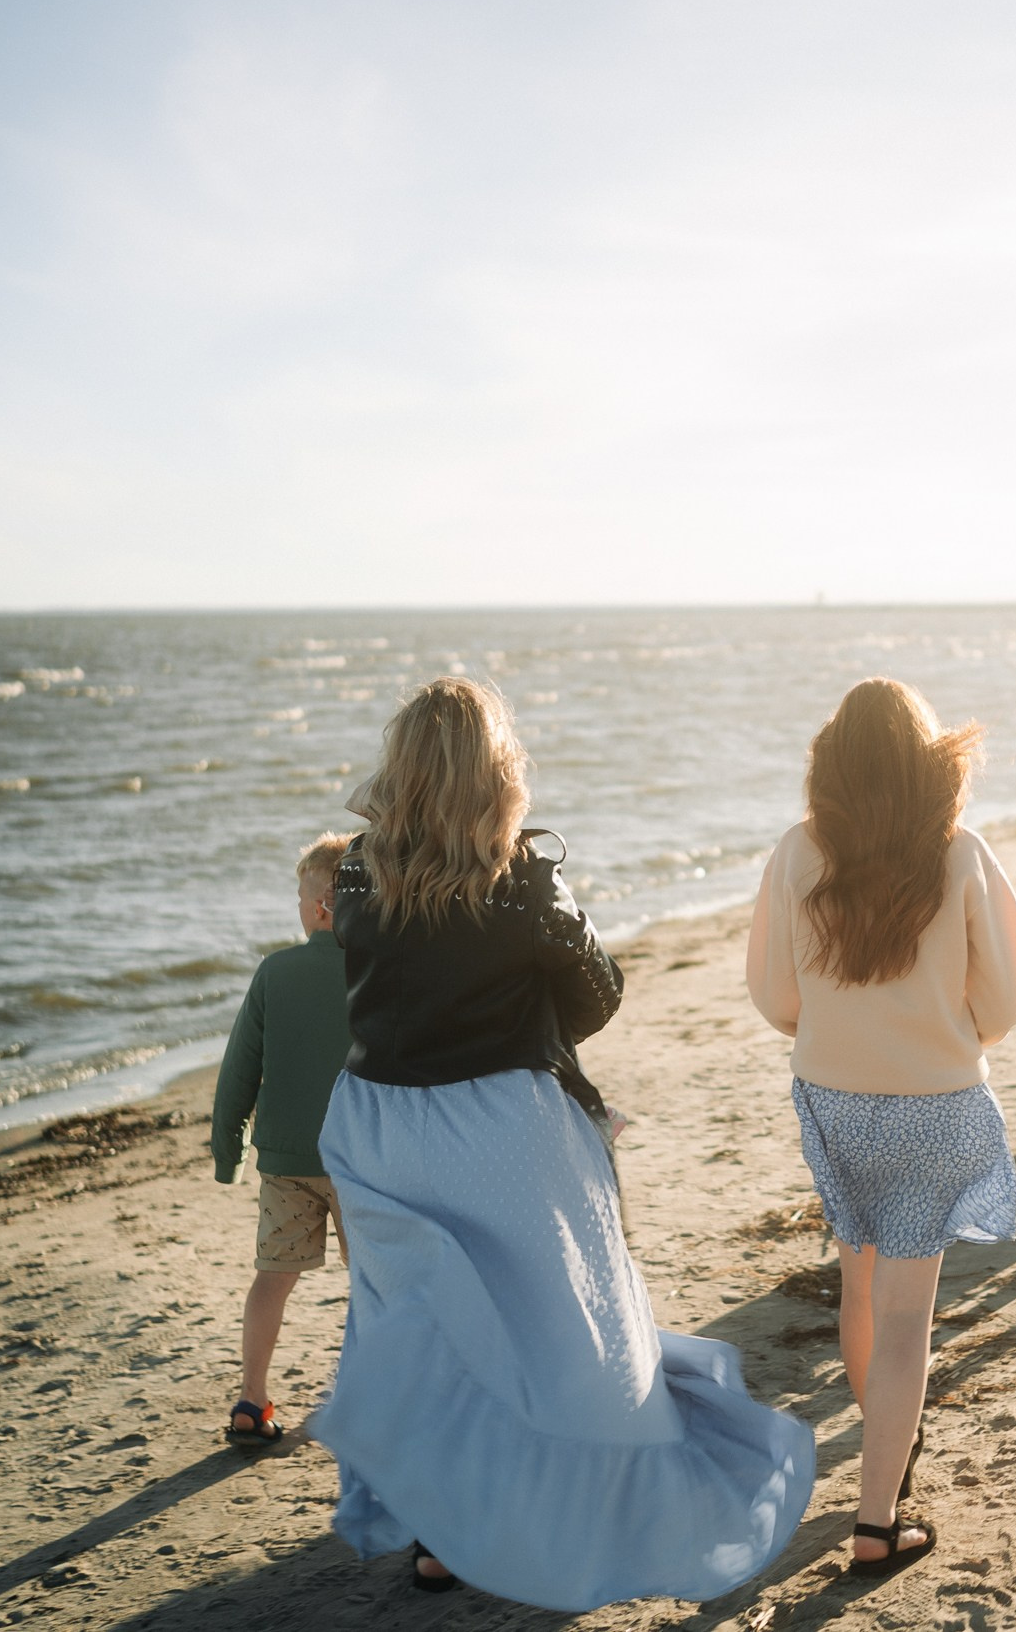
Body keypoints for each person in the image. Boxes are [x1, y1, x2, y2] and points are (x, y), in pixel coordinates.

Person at [313, 676, 812, 1609]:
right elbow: (600, 991)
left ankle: (439, 1532)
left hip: (378, 1123)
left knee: (425, 1326)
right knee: (567, 1332)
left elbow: (372, 971)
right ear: (499, 771)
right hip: (502, 1127)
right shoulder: (522, 876)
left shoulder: (354, 870)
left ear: (402, 767)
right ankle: (581, 1520)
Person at [746, 678, 1016, 1579]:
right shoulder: (959, 852)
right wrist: (957, 1036)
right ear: (927, 762)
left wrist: (834, 1032)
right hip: (936, 1101)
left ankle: (884, 1441)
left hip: (835, 1100)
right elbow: (1012, 989)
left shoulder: (799, 852)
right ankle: (878, 1516)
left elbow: (772, 994)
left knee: (860, 1287)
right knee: (910, 1311)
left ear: (830, 763)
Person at [210, 831, 357, 1449]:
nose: (298, 909)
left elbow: (239, 1067)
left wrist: (229, 1152)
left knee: (272, 1278)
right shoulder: (376, 974)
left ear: (321, 905)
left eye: (301, 897)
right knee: (375, 1283)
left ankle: (251, 1399)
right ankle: (364, 1396)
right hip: (362, 1161)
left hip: (287, 1161)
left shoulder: (274, 972)